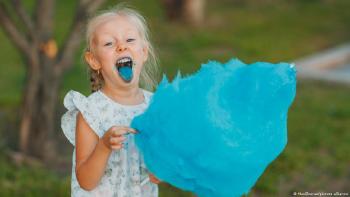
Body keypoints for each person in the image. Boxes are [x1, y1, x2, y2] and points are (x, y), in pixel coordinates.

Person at [61, 4, 161, 196]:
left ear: (144, 52)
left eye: (130, 39)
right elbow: (86, 182)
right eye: (109, 43)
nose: (121, 46)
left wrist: (161, 165)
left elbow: (156, 177)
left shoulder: (155, 108)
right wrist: (104, 146)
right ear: (94, 60)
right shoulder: (91, 111)